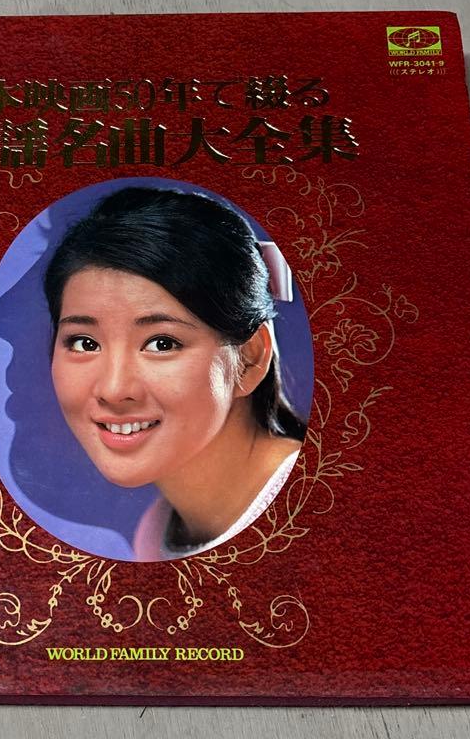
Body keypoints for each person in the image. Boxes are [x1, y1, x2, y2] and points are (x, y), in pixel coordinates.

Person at [43, 186, 306, 562]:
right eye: (85, 343)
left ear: (249, 358)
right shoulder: (157, 529)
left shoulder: (314, 507)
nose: (114, 389)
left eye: (161, 343)